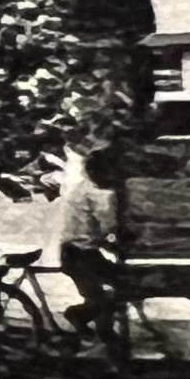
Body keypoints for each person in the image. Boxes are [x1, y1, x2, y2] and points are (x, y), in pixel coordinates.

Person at [47, 146, 129, 359]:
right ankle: (82, 320)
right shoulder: (97, 193)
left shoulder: (82, 187)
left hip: (77, 251)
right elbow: (108, 227)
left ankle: (104, 334)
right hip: (79, 254)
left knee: (116, 287)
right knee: (108, 295)